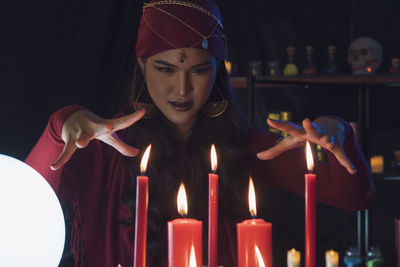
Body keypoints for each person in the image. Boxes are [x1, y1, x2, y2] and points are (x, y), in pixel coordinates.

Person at [25, 0, 374, 266]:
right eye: (165, 68)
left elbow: (355, 197)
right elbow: (24, 203)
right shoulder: (103, 149)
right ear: (143, 65)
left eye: (197, 70)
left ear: (217, 71)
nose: (182, 88)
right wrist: (61, 126)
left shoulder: (249, 148)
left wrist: (338, 131)